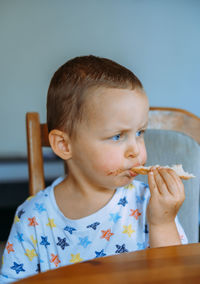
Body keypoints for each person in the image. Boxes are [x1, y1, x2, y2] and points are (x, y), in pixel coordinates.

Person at [0, 55, 187, 283]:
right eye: (117, 136)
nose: (136, 151)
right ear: (64, 145)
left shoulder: (151, 205)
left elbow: (175, 278)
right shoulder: (33, 217)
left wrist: (163, 223)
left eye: (140, 133)